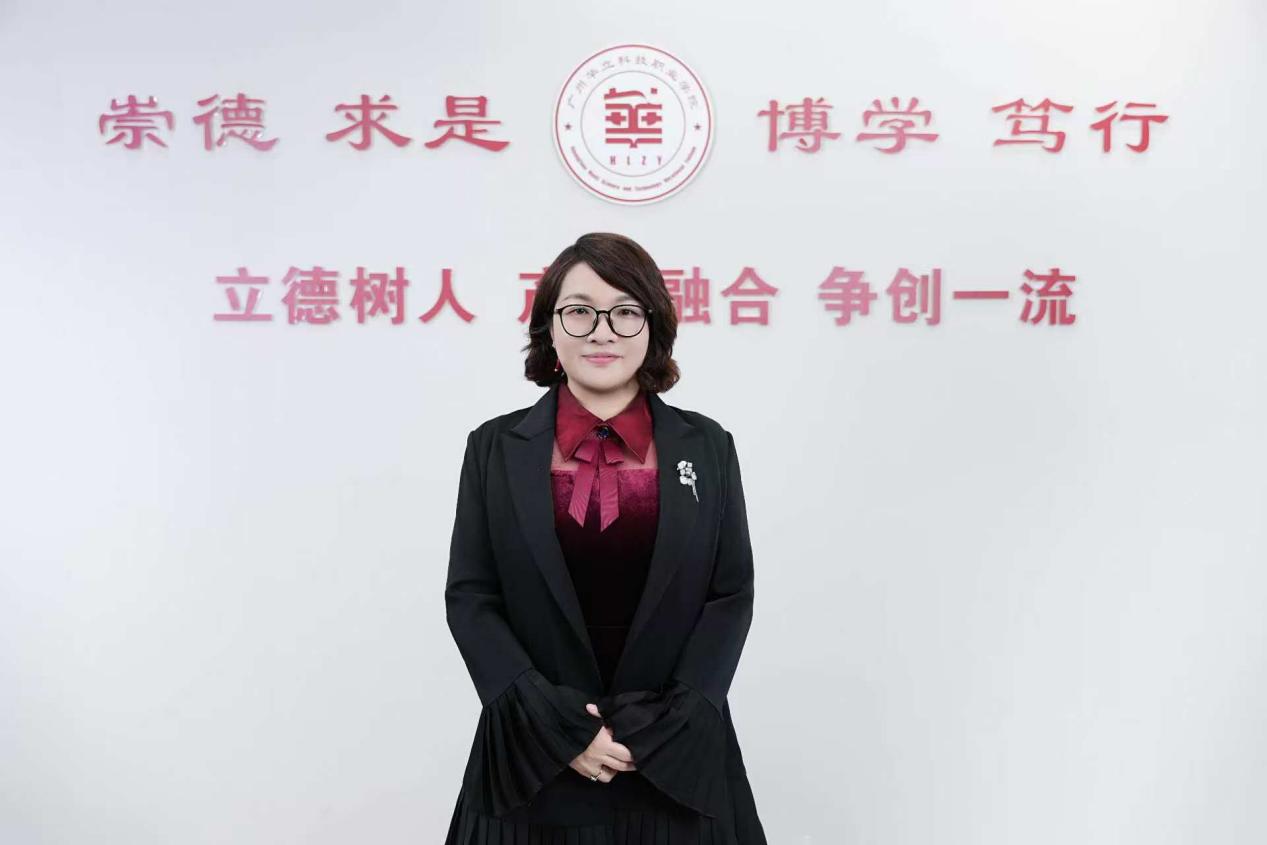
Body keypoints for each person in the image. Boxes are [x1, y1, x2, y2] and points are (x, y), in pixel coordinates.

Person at [443, 232, 767, 843]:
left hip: (675, 757)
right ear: (550, 327)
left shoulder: (707, 446)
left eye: (624, 312)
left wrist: (672, 720)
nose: (602, 331)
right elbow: (471, 597)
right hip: (531, 756)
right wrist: (554, 728)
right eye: (580, 311)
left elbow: (730, 594)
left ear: (653, 326)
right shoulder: (494, 447)